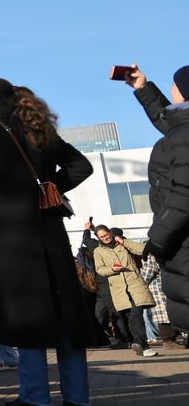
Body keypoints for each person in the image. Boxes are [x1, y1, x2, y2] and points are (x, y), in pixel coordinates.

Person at [0, 79, 94, 406]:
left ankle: (36, 397)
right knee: (65, 314)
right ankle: (77, 397)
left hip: (10, 239)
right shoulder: (39, 130)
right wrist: (48, 188)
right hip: (50, 233)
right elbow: (82, 166)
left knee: (27, 317)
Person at [123, 65, 189, 333]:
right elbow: (172, 124)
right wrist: (144, 88)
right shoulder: (181, 132)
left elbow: (184, 194)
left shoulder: (182, 137)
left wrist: (157, 240)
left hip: (183, 242)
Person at [92, 224, 158, 357]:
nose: (105, 238)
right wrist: (112, 269)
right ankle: (138, 343)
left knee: (137, 314)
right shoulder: (98, 251)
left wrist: (125, 242)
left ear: (110, 233)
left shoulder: (122, 243)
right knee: (129, 317)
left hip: (134, 284)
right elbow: (100, 269)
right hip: (118, 288)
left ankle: (143, 346)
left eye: (106, 235)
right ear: (98, 238)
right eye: (101, 237)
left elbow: (143, 250)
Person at [140, 254, 174, 346]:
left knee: (163, 315)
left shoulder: (151, 252)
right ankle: (170, 341)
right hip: (168, 285)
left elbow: (147, 273)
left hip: (159, 286)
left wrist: (140, 284)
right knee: (167, 314)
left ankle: (169, 341)